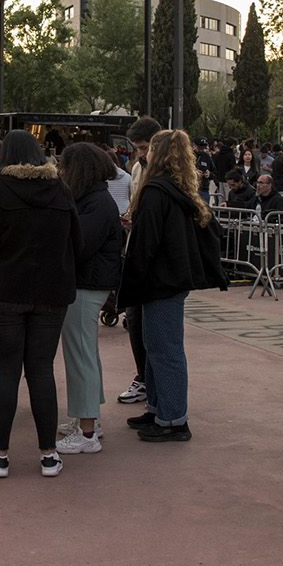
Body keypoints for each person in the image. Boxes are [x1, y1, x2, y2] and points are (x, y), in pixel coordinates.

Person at [0, 130, 79, 478]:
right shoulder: (61, 191)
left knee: (6, 371)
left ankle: (0, 454)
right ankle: (48, 453)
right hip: (51, 293)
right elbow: (75, 241)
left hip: (4, 292)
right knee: (41, 370)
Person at [119, 129, 227, 446]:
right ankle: (159, 409)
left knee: (164, 351)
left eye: (151, 147)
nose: (146, 153)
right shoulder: (179, 189)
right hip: (171, 279)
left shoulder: (156, 191)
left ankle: (173, 420)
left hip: (159, 281)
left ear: (160, 152)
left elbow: (147, 243)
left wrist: (132, 276)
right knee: (158, 349)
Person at [55, 143, 123, 456]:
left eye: (64, 167)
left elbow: (79, 246)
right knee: (85, 354)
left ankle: (86, 429)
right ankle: (88, 421)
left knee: (80, 356)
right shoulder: (97, 199)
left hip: (85, 285)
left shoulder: (95, 202)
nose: (60, 171)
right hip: (88, 284)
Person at [117, 115, 162, 408]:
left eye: (145, 147)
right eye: (137, 148)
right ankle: (143, 378)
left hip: (157, 259)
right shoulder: (135, 168)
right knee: (134, 318)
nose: (141, 153)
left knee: (155, 328)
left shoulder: (169, 171)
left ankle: (154, 384)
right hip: (134, 249)